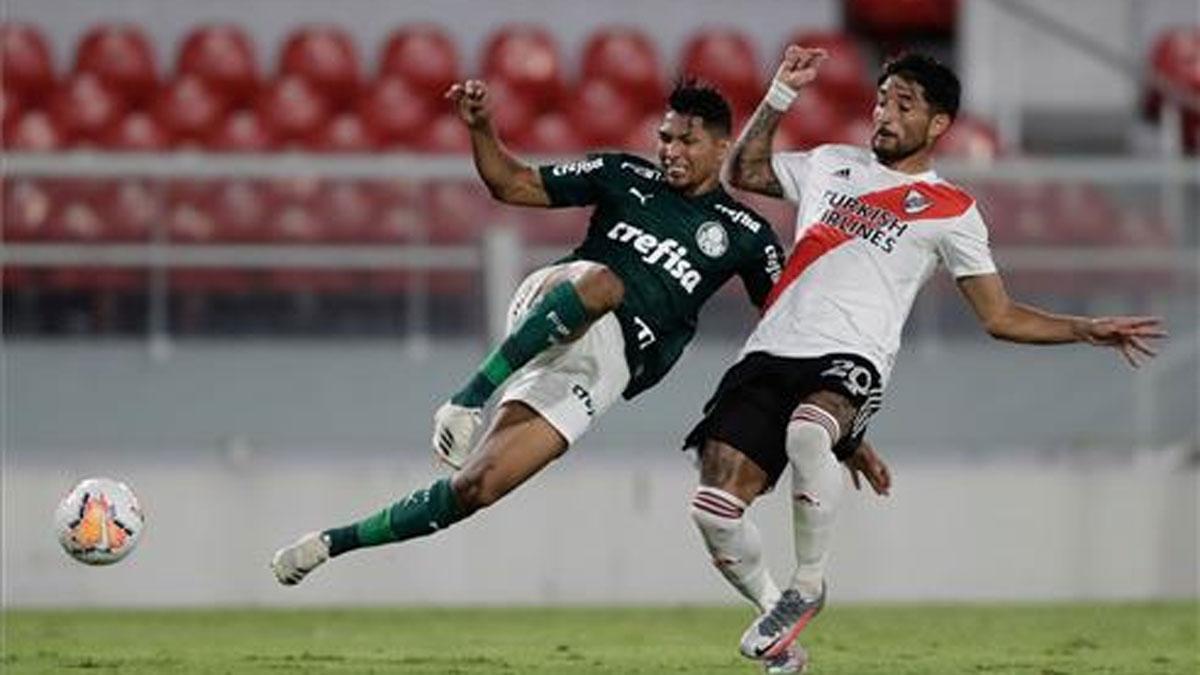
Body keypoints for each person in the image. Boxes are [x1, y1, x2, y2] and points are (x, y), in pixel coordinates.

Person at [685, 47, 1166, 674]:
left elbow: (999, 316)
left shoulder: (952, 209)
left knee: (809, 433)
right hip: (772, 347)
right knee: (714, 509)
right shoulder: (833, 163)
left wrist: (1083, 328)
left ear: (938, 124)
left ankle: (808, 586)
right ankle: (780, 629)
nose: (882, 114)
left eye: (902, 104)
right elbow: (742, 173)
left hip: (853, 353)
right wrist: (779, 94)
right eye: (881, 100)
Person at [270, 79, 793, 589]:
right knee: (604, 282)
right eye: (665, 136)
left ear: (722, 146)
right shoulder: (622, 173)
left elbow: (787, 315)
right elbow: (513, 183)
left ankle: (330, 544)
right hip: (560, 299)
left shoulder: (747, 234)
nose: (671, 149)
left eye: (687, 140)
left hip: (606, 365)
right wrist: (481, 128)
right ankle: (467, 399)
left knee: (477, 486)